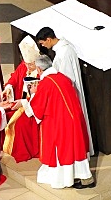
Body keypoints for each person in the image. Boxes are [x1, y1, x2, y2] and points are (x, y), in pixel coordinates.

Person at [15, 55, 92, 189]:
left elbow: (38, 107)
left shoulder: (46, 83)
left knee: (64, 151)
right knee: (76, 148)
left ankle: (66, 180)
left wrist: (32, 94)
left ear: (39, 69)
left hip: (60, 123)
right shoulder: (62, 77)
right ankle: (84, 177)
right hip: (73, 118)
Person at [34, 28, 94, 156]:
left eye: (43, 43)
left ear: (48, 39)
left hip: (68, 94)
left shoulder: (63, 53)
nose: (43, 46)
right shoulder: (63, 48)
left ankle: (79, 154)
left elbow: (66, 79)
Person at [1, 36, 42, 163]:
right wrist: (8, 87)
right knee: (3, 114)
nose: (28, 66)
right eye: (26, 63)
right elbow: (15, 77)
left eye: (31, 64)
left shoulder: (42, 72)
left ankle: (23, 150)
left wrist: (23, 103)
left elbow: (40, 96)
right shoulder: (24, 66)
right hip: (20, 102)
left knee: (19, 125)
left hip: (33, 108)